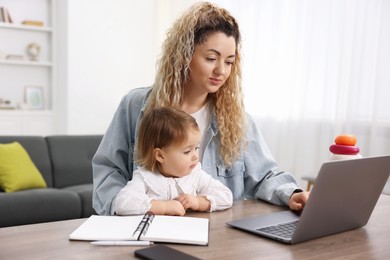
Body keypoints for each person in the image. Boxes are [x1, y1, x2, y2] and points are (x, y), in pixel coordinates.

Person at [92, 1, 309, 216]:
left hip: (217, 241)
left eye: (229, 62)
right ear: (184, 55)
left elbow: (265, 176)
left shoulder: (236, 120)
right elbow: (109, 171)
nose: (221, 71)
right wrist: (123, 210)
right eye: (211, 58)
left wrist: (292, 194)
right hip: (145, 233)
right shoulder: (136, 106)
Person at [115, 107, 233, 216]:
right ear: (160, 155)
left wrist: (199, 202)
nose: (195, 156)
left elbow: (226, 196)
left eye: (196, 148)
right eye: (187, 151)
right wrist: (164, 207)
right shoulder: (145, 177)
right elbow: (122, 203)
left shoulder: (195, 174)